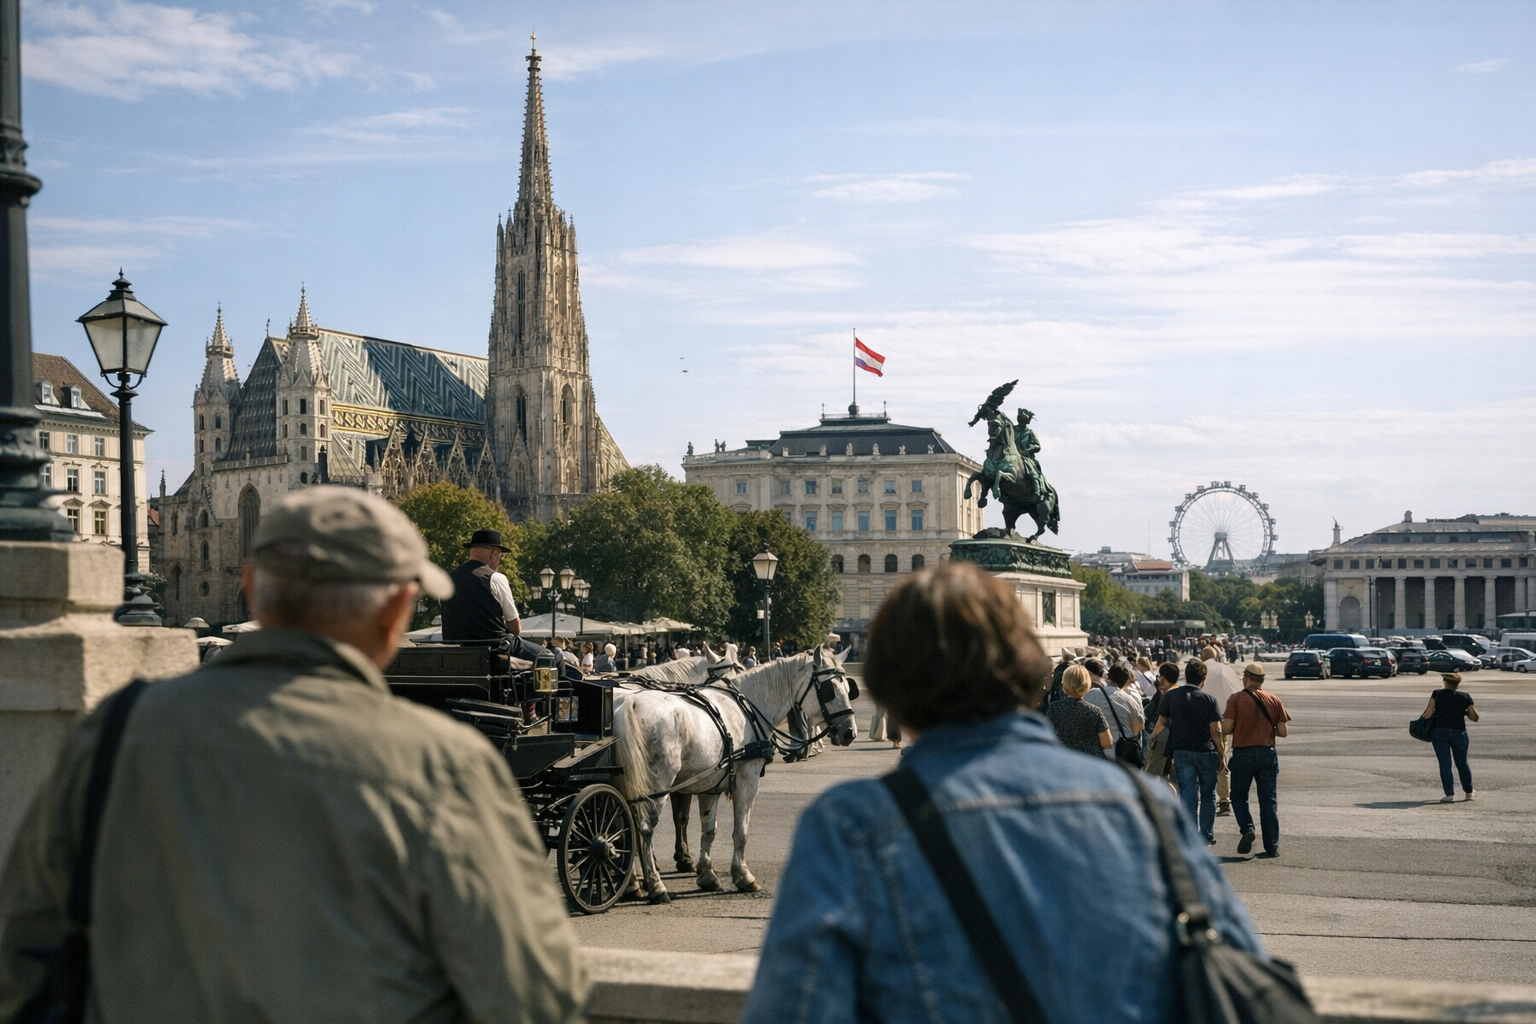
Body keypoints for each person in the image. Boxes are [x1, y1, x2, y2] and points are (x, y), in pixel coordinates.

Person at [0, 487, 587, 1022]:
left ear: (251, 587)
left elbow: (23, 947)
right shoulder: (444, 764)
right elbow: (534, 997)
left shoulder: (113, 731)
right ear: (396, 611)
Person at [740, 561, 1264, 1024]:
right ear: (1030, 668)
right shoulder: (1147, 808)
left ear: (889, 690)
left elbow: (796, 1009)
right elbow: (1240, 981)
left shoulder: (852, 827)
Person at [1222, 663, 1292, 858]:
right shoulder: (1274, 699)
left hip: (1243, 755)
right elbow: (1283, 732)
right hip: (1267, 754)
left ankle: (1247, 828)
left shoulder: (1236, 699)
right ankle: (1272, 846)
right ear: (1262, 680)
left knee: (1238, 795)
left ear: (1246, 677)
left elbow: (1226, 728)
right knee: (1268, 801)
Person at [1153, 658, 1225, 845]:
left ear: (1185, 676)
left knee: (1187, 793)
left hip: (1182, 751)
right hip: (1206, 751)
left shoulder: (1172, 696)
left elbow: (1163, 720)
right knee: (1208, 794)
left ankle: (1190, 836)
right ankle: (1206, 835)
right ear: (1204, 678)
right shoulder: (1210, 700)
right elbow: (1216, 730)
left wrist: (1175, 725)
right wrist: (1222, 754)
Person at [1420, 672, 1479, 802]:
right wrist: (1464, 712)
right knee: (1462, 763)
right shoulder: (1465, 696)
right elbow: (1475, 717)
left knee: (1445, 763)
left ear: (1445, 682)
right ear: (1457, 684)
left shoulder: (1437, 694)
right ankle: (1469, 792)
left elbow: (1428, 714)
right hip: (1459, 732)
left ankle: (1449, 794)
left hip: (1439, 731)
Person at [1045, 664, 1113, 757]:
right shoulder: (1094, 711)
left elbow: (1046, 734)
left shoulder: (1054, 708)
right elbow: (1107, 743)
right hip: (1089, 760)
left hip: (1063, 757)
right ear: (1087, 684)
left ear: (1064, 683)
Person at [1084, 663, 1144, 760]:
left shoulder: (1092, 694)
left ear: (1108, 678)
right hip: (1122, 753)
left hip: (1098, 751)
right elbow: (1138, 727)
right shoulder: (1130, 700)